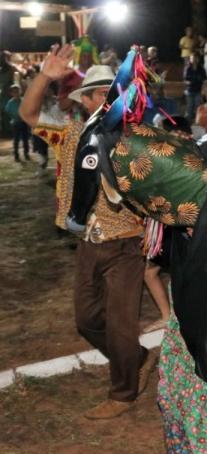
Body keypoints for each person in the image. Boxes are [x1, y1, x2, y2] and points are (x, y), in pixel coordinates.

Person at [20, 46, 157, 420]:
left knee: (120, 323)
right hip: (88, 244)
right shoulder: (71, 136)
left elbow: (159, 189)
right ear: (86, 101)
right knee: (86, 321)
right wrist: (46, 76)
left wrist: (153, 228)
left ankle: (124, 392)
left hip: (127, 243)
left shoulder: (135, 139)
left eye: (109, 93)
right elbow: (27, 113)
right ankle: (138, 359)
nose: (103, 99)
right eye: (97, 93)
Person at [5, 84, 30, 163]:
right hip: (16, 123)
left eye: (17, 91)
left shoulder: (23, 100)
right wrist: (13, 117)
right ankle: (16, 155)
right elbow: (7, 111)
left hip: (24, 122)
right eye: (14, 92)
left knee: (25, 139)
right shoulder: (10, 103)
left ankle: (26, 153)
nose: (16, 93)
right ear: (11, 93)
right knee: (16, 140)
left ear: (20, 92)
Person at [183, 52, 207, 121]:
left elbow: (204, 79)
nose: (194, 59)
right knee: (189, 107)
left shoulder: (201, 69)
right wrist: (188, 82)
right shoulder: (187, 68)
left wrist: (203, 88)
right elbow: (185, 79)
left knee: (198, 107)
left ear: (198, 59)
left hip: (198, 90)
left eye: (195, 58)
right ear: (190, 59)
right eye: (192, 58)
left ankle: (197, 121)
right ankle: (188, 122)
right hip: (190, 90)